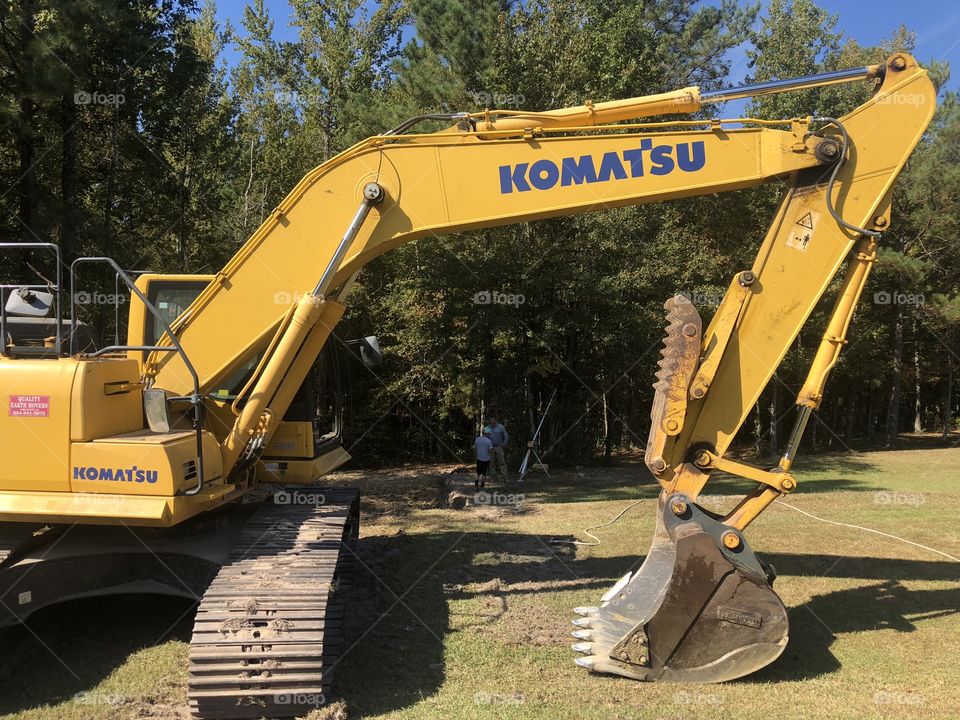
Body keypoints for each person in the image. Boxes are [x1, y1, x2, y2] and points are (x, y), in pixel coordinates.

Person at [486, 416, 509, 482]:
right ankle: (493, 478)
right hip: (490, 448)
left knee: (502, 462)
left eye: (493, 420)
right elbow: (484, 437)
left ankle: (505, 478)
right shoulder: (487, 428)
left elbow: (505, 435)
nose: (492, 422)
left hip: (499, 447)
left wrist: (505, 443)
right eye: (490, 420)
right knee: (491, 463)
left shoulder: (501, 427)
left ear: (495, 420)